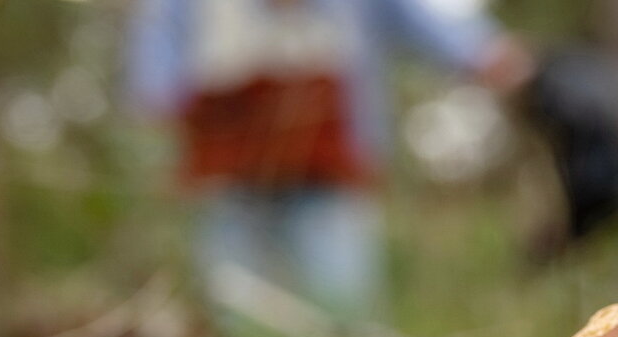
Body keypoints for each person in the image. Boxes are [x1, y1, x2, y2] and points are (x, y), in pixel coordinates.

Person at [126, 0, 532, 319]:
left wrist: (498, 58)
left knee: (344, 314)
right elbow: (154, 75)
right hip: (230, 186)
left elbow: (433, 27)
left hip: (331, 178)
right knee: (241, 320)